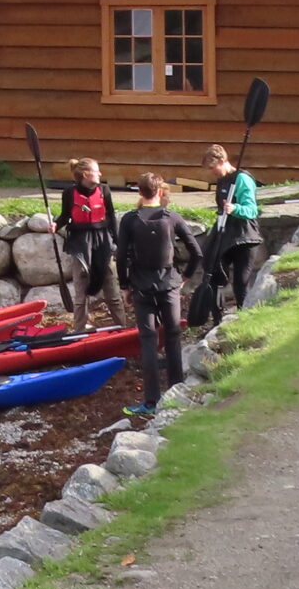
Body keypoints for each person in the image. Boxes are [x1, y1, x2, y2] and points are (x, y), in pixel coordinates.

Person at [116, 174, 204, 415]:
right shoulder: (172, 217)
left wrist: (125, 286)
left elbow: (121, 256)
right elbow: (196, 252)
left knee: (148, 340)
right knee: (173, 336)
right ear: (161, 191)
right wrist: (184, 277)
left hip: (141, 287)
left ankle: (151, 402)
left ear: (139, 191)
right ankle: (177, 393)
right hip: (169, 285)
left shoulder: (129, 220)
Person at [199, 144, 262, 323]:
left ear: (222, 161)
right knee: (212, 273)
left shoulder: (242, 179)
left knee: (241, 282)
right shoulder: (222, 180)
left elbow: (251, 210)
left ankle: (245, 320)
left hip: (244, 236)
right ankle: (217, 320)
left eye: (213, 167)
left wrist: (235, 208)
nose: (212, 172)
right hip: (225, 234)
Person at [57, 159, 121, 332]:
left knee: (111, 289)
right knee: (81, 292)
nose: (100, 173)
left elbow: (111, 216)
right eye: (96, 170)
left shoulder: (104, 190)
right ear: (85, 174)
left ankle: (121, 327)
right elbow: (65, 216)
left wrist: (117, 241)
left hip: (103, 241)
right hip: (80, 243)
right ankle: (79, 331)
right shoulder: (69, 193)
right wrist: (55, 225)